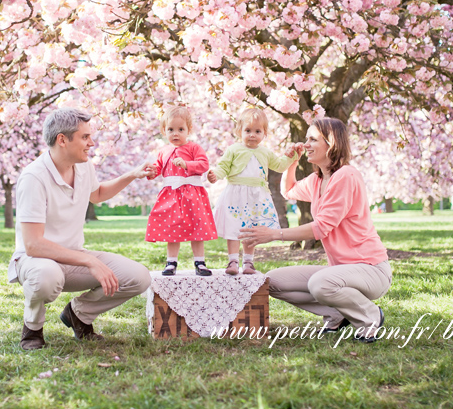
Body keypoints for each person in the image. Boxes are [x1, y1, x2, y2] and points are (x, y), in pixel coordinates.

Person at [8, 107, 154, 350]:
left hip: (73, 258)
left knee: (139, 277)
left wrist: (132, 175)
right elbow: (33, 244)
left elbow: (96, 194)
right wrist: (90, 262)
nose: (92, 143)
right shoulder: (34, 177)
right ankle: (32, 329)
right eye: (85, 137)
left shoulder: (84, 166)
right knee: (47, 276)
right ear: (62, 140)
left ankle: (79, 315)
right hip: (35, 261)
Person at [239, 117, 392, 343]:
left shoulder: (346, 176)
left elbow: (321, 228)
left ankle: (369, 315)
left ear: (331, 143)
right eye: (306, 139)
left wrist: (273, 234)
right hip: (340, 271)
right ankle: (336, 313)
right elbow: (288, 190)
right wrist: (292, 161)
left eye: (313, 139)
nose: (306, 144)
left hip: (370, 270)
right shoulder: (318, 179)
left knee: (319, 284)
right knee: (271, 282)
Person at [206, 108, 298, 275]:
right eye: (247, 131)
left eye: (257, 131)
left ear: (264, 133)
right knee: (234, 228)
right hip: (236, 195)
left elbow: (279, 165)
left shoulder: (265, 152)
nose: (252, 135)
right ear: (239, 131)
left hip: (257, 196)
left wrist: (291, 157)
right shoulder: (234, 149)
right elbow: (223, 167)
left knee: (251, 228)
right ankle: (233, 261)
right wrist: (215, 175)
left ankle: (248, 262)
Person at [145, 106, 218, 276]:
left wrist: (187, 164)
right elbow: (158, 167)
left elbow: (203, 165)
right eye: (171, 129)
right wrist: (152, 171)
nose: (175, 133)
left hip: (192, 194)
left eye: (180, 129)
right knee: (172, 228)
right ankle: (171, 262)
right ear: (164, 131)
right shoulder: (163, 151)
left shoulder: (194, 148)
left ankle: (200, 261)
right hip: (171, 194)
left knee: (197, 227)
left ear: (189, 130)